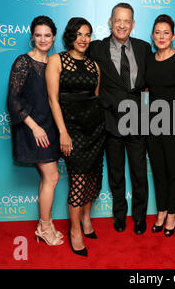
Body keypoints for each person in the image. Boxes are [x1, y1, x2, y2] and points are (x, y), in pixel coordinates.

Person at [86, 3, 151, 235]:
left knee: (139, 173)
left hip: (138, 121)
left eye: (127, 21)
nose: (122, 25)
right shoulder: (96, 48)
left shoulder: (144, 48)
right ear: (110, 22)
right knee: (116, 173)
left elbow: (149, 84)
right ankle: (120, 215)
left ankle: (140, 217)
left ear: (133, 24)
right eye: (118, 20)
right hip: (111, 121)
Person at [46, 17, 105, 257]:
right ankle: (75, 231)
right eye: (79, 34)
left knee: (93, 179)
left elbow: (96, 97)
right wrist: (63, 133)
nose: (83, 39)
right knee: (78, 182)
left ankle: (87, 221)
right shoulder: (56, 61)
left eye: (87, 34)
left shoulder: (94, 65)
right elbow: (53, 100)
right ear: (70, 36)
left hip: (96, 129)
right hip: (72, 131)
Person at [7, 16, 63, 247]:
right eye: (38, 35)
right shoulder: (23, 62)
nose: (43, 39)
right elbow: (12, 100)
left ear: (53, 37)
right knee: (52, 176)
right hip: (33, 128)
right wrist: (34, 126)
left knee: (46, 178)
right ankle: (45, 226)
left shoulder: (52, 62)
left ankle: (43, 225)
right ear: (32, 36)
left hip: (50, 127)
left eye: (47, 35)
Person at [145, 14, 175, 237]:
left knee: (174, 172)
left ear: (173, 36)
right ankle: (161, 211)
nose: (161, 36)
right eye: (157, 32)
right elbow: (146, 93)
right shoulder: (148, 59)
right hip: (153, 123)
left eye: (166, 32)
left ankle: (172, 214)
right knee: (158, 171)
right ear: (152, 35)